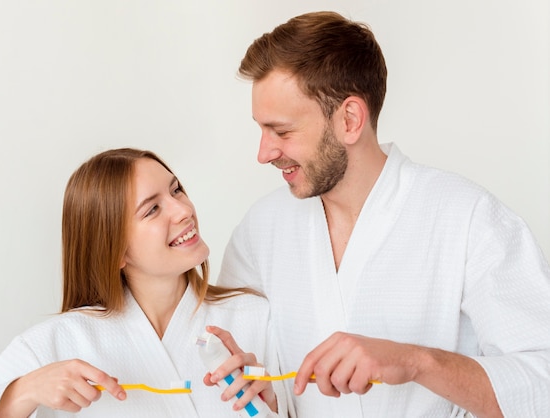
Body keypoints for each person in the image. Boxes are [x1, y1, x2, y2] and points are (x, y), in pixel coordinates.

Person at [217, 11, 550, 418]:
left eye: (282, 132)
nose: (264, 153)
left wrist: (415, 361)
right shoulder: (260, 230)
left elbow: (542, 385)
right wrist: (265, 401)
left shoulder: (467, 219)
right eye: (262, 130)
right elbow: (253, 379)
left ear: (350, 120)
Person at [0, 148, 287, 418]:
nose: (184, 210)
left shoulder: (255, 319)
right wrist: (23, 392)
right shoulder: (61, 343)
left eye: (176, 191)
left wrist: (272, 406)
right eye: (152, 209)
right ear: (115, 251)